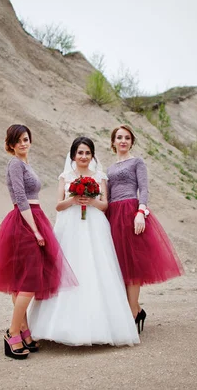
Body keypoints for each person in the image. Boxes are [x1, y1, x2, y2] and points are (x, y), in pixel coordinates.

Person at [28, 137, 140, 346]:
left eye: (88, 153)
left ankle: (102, 326)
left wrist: (91, 200)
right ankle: (59, 326)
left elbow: (105, 205)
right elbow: (58, 206)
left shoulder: (100, 176)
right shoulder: (65, 176)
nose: (84, 157)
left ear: (92, 156)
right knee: (68, 268)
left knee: (96, 268)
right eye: (80, 153)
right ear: (73, 155)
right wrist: (73, 199)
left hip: (95, 226)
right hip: (69, 226)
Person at [0, 124, 77, 359]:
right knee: (29, 280)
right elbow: (21, 198)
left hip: (34, 218)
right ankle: (12, 331)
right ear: (11, 145)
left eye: (26, 139)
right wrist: (35, 230)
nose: (23, 143)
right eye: (19, 141)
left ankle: (24, 330)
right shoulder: (15, 164)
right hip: (24, 222)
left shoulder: (25, 164)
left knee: (23, 280)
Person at [105, 125, 184, 334]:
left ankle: (132, 313)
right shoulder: (109, 169)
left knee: (132, 266)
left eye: (127, 138)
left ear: (132, 141)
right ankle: (137, 310)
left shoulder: (137, 162)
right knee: (120, 266)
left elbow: (144, 188)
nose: (123, 141)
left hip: (131, 212)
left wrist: (141, 212)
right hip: (114, 216)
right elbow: (108, 195)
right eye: (119, 137)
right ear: (113, 142)